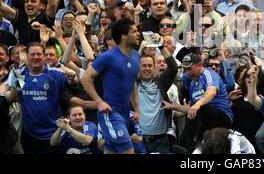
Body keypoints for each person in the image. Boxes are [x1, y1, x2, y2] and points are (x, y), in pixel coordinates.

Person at [81, 18, 141, 154]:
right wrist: (99, 102)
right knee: (128, 150)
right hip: (110, 112)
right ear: (124, 36)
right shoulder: (107, 57)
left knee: (111, 150)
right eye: (134, 31)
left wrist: (137, 109)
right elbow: (85, 78)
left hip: (125, 113)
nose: (138, 34)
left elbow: (132, 83)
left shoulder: (136, 56)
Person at [6, 42, 72, 154]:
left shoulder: (54, 74)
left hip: (53, 133)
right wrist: (16, 84)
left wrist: (74, 79)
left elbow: (75, 82)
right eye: (32, 54)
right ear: (27, 56)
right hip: (29, 134)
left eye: (39, 54)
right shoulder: (19, 73)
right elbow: (8, 98)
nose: (36, 57)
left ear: (43, 56)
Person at [163, 53, 233, 153]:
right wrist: (171, 106)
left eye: (190, 68)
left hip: (223, 117)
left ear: (200, 65)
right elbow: (191, 108)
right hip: (206, 121)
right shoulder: (192, 82)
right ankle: (189, 150)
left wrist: (197, 104)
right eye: (185, 69)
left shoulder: (209, 74)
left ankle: (184, 145)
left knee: (197, 107)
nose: (187, 72)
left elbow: (211, 92)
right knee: (199, 147)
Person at [137, 42, 178, 153]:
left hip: (161, 141)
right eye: (144, 65)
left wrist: (161, 46)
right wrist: (141, 49)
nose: (147, 69)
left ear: (154, 67)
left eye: (150, 65)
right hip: (139, 140)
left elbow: (174, 68)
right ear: (138, 67)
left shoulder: (161, 83)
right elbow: (127, 71)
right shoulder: (132, 84)